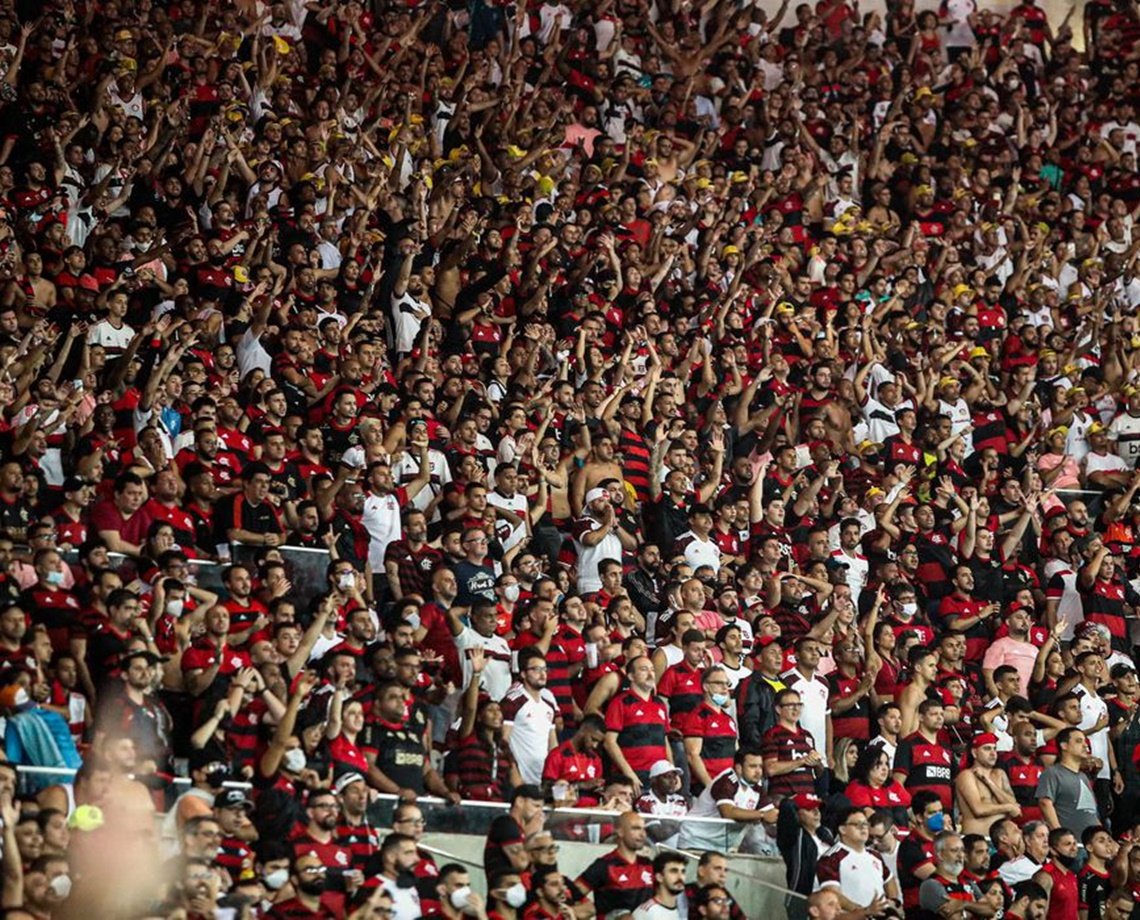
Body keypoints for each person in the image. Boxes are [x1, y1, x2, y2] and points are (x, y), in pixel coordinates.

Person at [574, 811, 654, 918]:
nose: (642, 834)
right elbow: (571, 894)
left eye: (644, 829)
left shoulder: (648, 864)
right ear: (620, 832)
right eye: (636, 828)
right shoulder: (604, 865)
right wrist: (588, 908)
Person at [1037, 727, 1101, 837]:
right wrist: (1060, 836)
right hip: (1072, 844)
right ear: (1064, 746)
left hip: (1091, 844)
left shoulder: (1083, 777)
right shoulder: (1052, 773)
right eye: (1079, 741)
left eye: (1085, 741)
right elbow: (1045, 803)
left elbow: (1091, 810)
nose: (1085, 745)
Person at [632, 852, 687, 920]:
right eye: (674, 871)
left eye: (683, 872)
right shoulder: (646, 912)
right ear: (659, 877)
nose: (680, 877)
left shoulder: (684, 910)